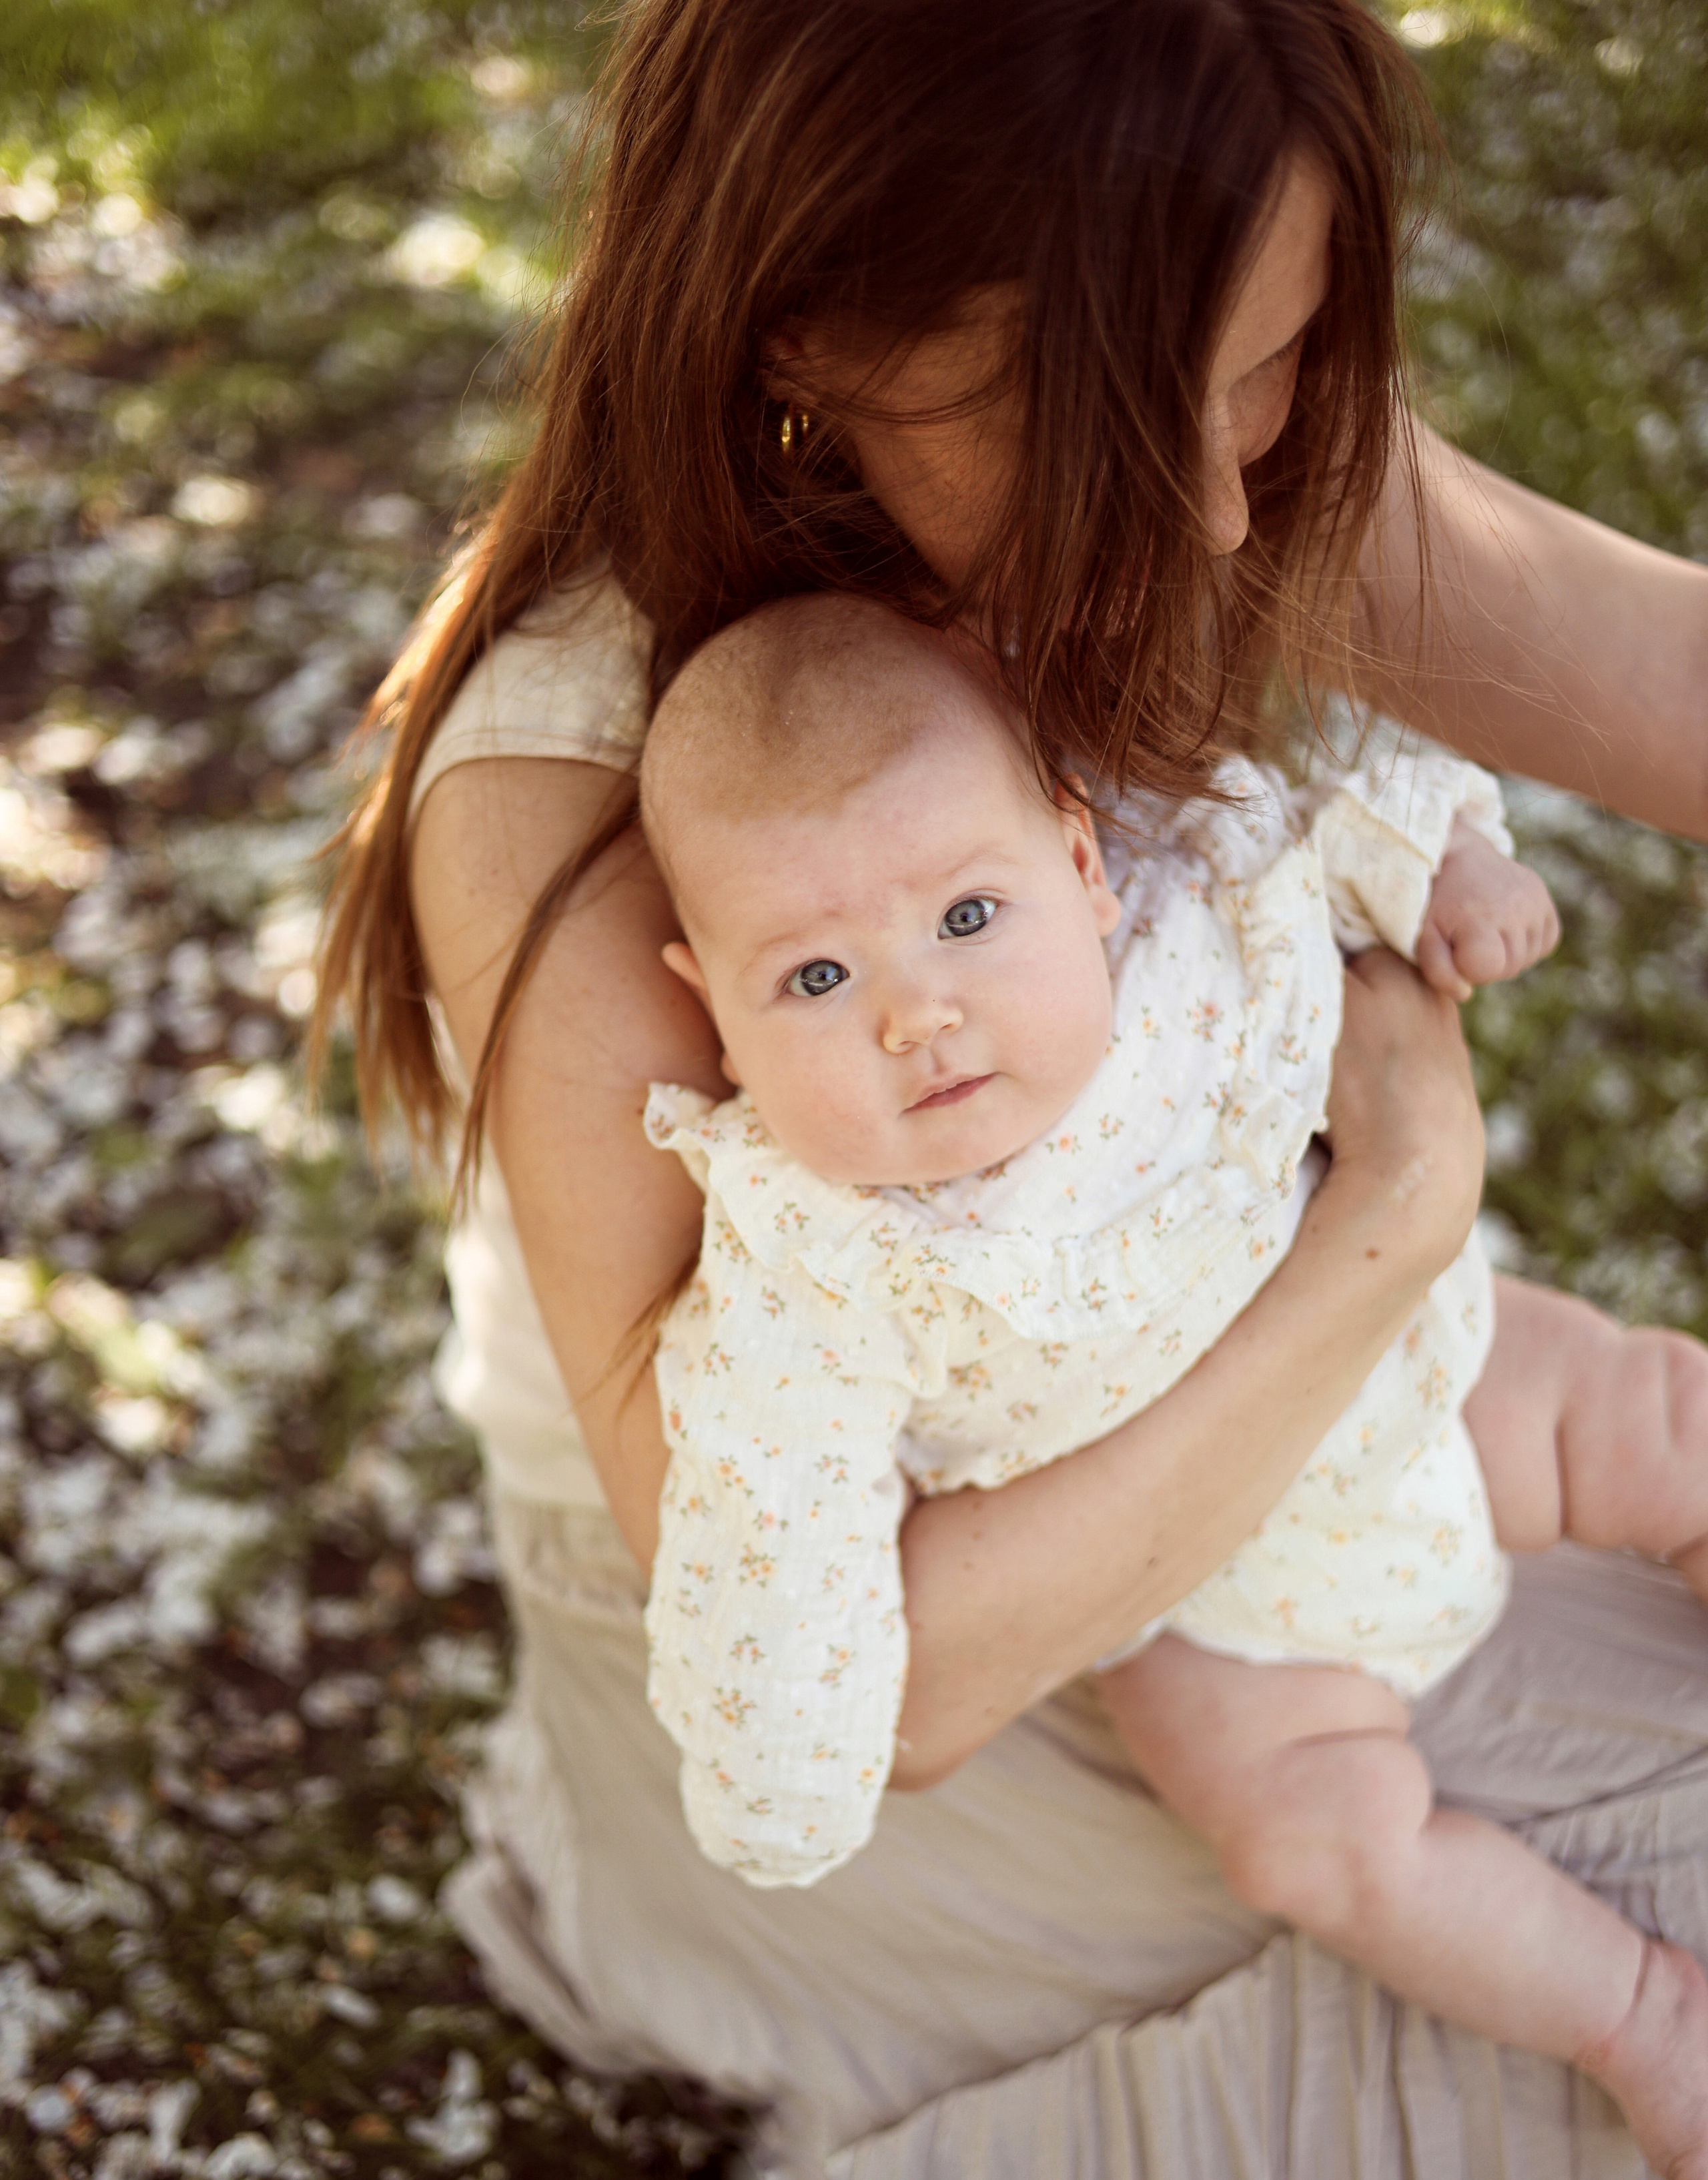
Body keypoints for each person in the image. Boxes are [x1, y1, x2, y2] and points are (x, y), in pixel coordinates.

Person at [316, 0, 1708, 2170]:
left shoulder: (1170, 419)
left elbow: (1666, 676)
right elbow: (886, 1677)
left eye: (1277, 360)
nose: (1234, 494)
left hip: (1264, 1424)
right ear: (811, 329)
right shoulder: (569, 808)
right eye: (1140, 407)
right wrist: (1394, 1213)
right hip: (900, 1631)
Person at [634, 593, 1708, 2164]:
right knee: (1311, 1845)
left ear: (1079, 863)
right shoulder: (808, 1248)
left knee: (1661, 1415)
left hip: (1428, 1382)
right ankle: (1639, 2013)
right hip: (1212, 1605)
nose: (916, 1012)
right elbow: (765, 1501)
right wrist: (776, 1767)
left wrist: (1443, 871)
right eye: (811, 980)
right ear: (711, 1010)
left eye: (966, 915)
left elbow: (1330, 828)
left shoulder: (1186, 909)